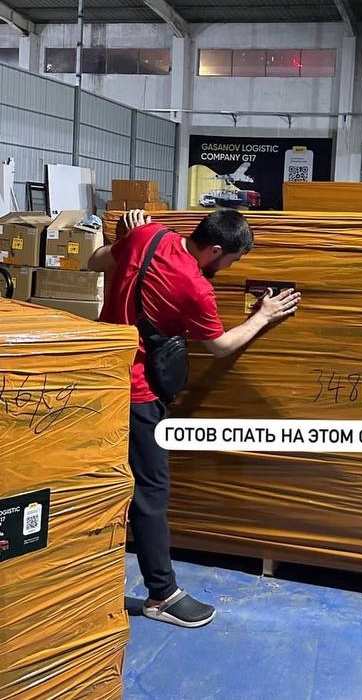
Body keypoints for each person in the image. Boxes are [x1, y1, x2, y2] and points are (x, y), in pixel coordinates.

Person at [89, 208, 301, 629]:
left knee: (100, 476)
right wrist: (262, 315)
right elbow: (220, 346)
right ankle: (162, 595)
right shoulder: (194, 287)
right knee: (150, 493)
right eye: (232, 261)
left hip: (98, 376)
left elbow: (95, 260)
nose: (230, 269)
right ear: (215, 250)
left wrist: (125, 237)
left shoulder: (148, 235)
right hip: (137, 392)